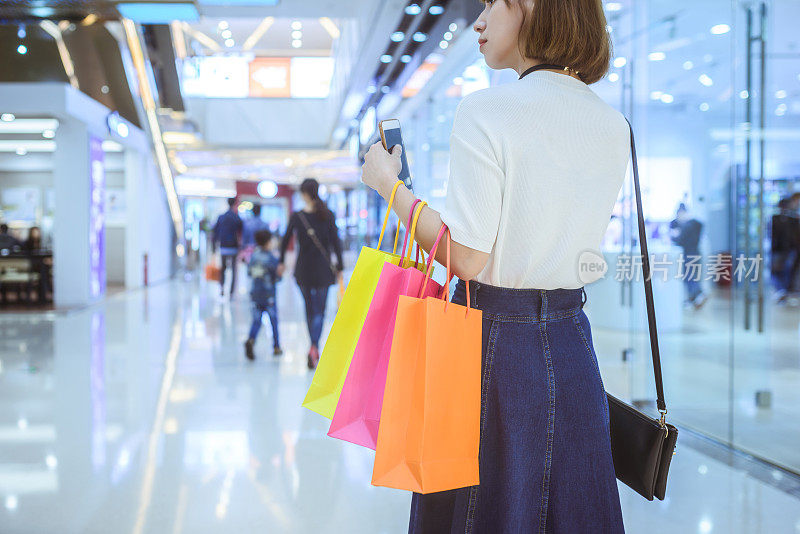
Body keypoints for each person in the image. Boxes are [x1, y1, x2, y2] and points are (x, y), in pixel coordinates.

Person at [361, 0, 628, 531]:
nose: (479, 20)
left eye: (493, 3)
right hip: (574, 341)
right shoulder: (613, 123)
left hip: (491, 345)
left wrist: (389, 187)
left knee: (480, 510)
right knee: (571, 509)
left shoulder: (488, 110)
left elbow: (465, 255)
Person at [279, 178, 343, 370]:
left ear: (305, 194)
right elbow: (336, 242)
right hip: (323, 269)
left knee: (309, 309)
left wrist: (282, 262)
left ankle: (313, 346)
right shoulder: (328, 214)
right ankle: (315, 346)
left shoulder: (297, 216)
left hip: (304, 270)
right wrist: (339, 264)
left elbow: (284, 241)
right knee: (320, 311)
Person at [244, 229, 283, 360]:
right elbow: (277, 277)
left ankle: (251, 339)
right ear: (268, 242)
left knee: (256, 320)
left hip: (255, 294)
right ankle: (276, 346)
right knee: (273, 321)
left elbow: (249, 272)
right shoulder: (271, 258)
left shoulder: (254, 256)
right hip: (269, 295)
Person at [670, 203, 707, 309]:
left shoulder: (688, 226)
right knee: (691, 277)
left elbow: (680, 240)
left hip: (688, 254)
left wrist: (674, 236)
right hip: (695, 253)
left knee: (690, 277)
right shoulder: (695, 224)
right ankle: (694, 298)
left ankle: (699, 295)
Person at [770, 196, 800, 302]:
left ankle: (786, 291)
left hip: (791, 250)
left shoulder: (793, 219)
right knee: (777, 271)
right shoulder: (775, 218)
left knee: (788, 271)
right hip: (779, 250)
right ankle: (782, 291)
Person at [212, 198, 243, 298]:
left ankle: (221, 289)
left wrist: (214, 246)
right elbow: (241, 232)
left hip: (223, 246)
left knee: (223, 268)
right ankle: (231, 292)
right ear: (235, 204)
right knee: (234, 270)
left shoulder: (221, 217)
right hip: (233, 247)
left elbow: (215, 232)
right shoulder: (236, 218)